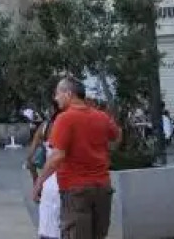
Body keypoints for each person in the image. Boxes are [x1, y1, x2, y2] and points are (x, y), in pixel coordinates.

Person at [33, 77, 120, 239]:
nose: (56, 98)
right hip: (102, 187)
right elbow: (117, 136)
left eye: (57, 93)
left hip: (76, 190)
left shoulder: (65, 118)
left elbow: (57, 156)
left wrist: (39, 182)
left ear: (68, 93)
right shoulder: (101, 116)